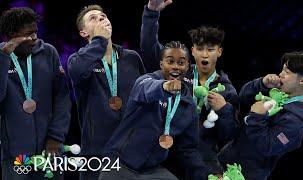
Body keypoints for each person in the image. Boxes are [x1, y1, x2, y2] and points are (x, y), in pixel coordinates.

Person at [140, 0, 239, 176]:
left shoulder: (228, 91)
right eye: (200, 49)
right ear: (192, 51)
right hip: (164, 153)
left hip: (201, 159)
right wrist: (151, 13)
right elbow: (149, 48)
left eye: (210, 49)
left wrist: (224, 110)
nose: (205, 54)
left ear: (219, 52)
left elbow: (229, 136)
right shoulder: (178, 70)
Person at [99, 41, 216, 180]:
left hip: (151, 171)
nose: (175, 67)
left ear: (187, 68)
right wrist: (165, 87)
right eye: (170, 61)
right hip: (119, 163)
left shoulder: (189, 105)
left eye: (181, 62)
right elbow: (146, 89)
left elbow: (187, 149)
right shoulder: (145, 81)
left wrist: (208, 175)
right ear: (161, 64)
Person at [67, 4, 145, 180]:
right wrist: (100, 41)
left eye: (103, 15)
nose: (101, 18)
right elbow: (78, 72)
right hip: (97, 153)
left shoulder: (132, 58)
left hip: (133, 150)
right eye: (93, 18)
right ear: (84, 33)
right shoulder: (78, 60)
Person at [218, 51, 303, 180]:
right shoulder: (276, 90)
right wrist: (262, 84)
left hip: (246, 175)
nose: (280, 75)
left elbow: (268, 146)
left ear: (302, 80)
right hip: (225, 159)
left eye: (287, 72)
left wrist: (257, 117)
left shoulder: (297, 122)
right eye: (282, 70)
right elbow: (242, 97)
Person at [0, 7, 71, 179]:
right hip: (15, 156)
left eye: (35, 32)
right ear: (12, 35)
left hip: (50, 150)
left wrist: (56, 137)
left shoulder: (48, 52)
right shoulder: (1, 58)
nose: (34, 38)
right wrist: (3, 58)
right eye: (28, 34)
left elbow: (62, 98)